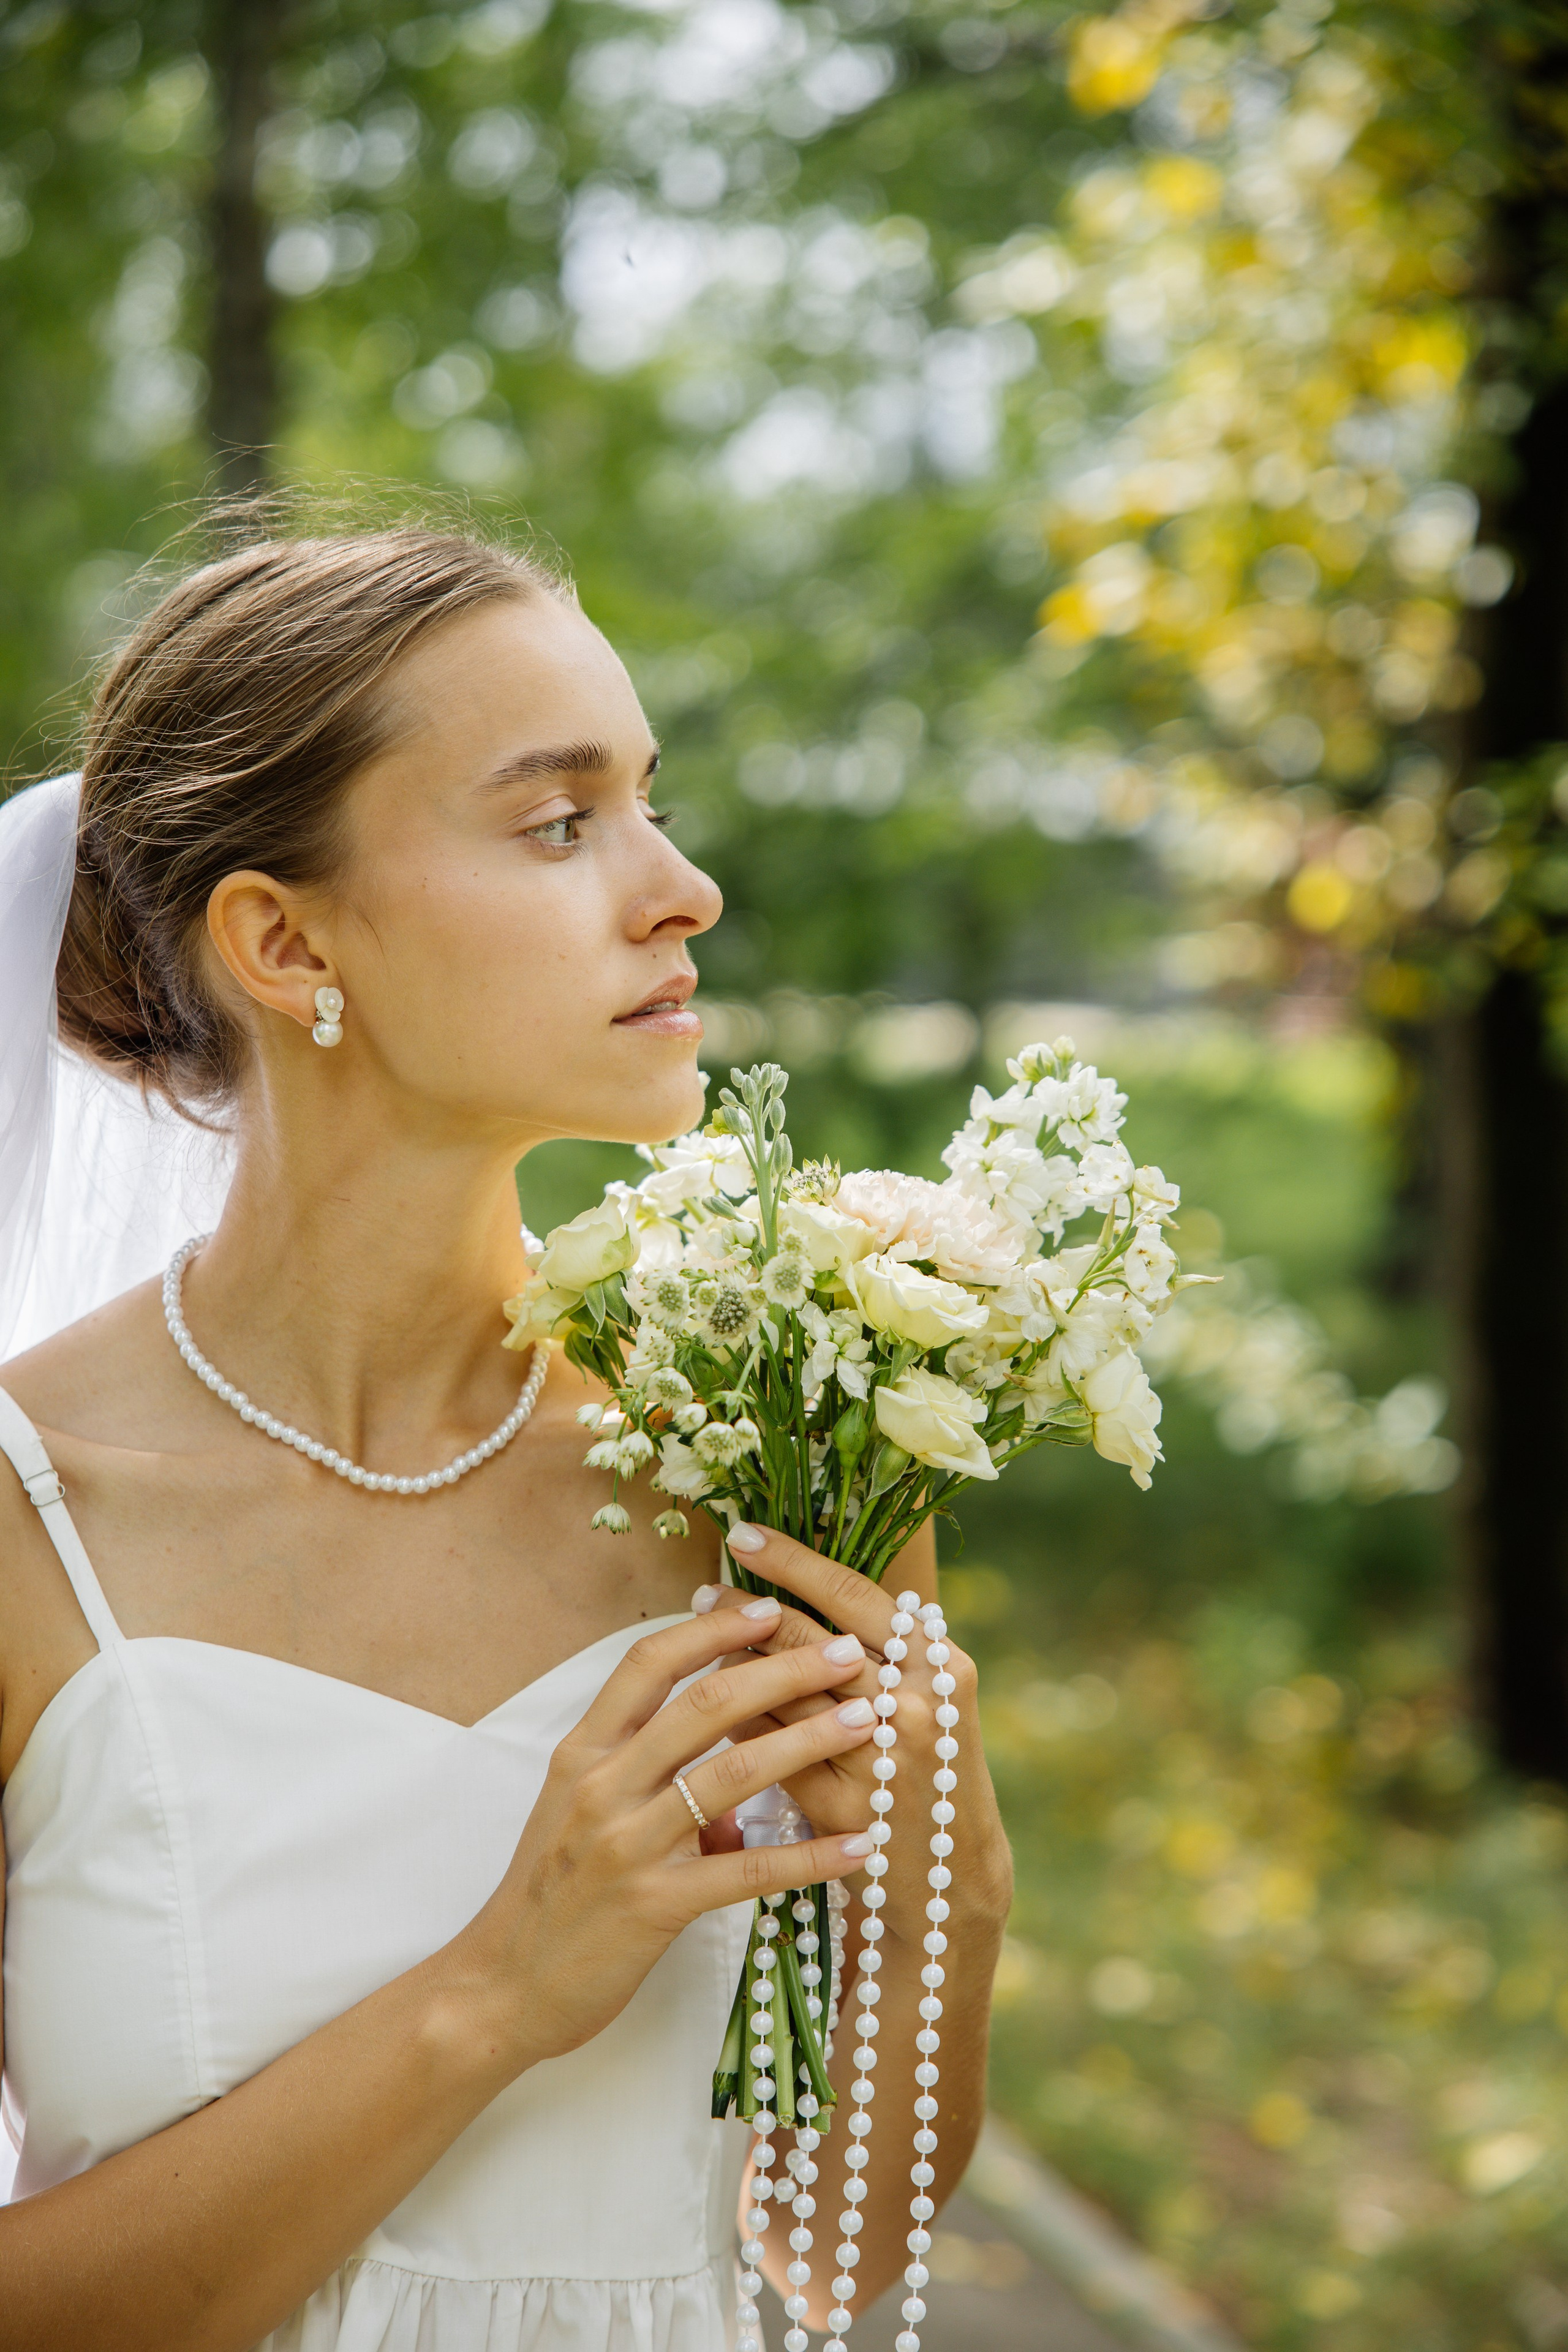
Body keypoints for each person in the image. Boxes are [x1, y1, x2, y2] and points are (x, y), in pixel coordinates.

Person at [0, 520, 1012, 2352]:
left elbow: (830, 2259)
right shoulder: (24, 1521)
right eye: (562, 824)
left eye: (652, 803)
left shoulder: (784, 1461)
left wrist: (957, 1877)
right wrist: (495, 1991)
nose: (682, 888)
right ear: (286, 939)